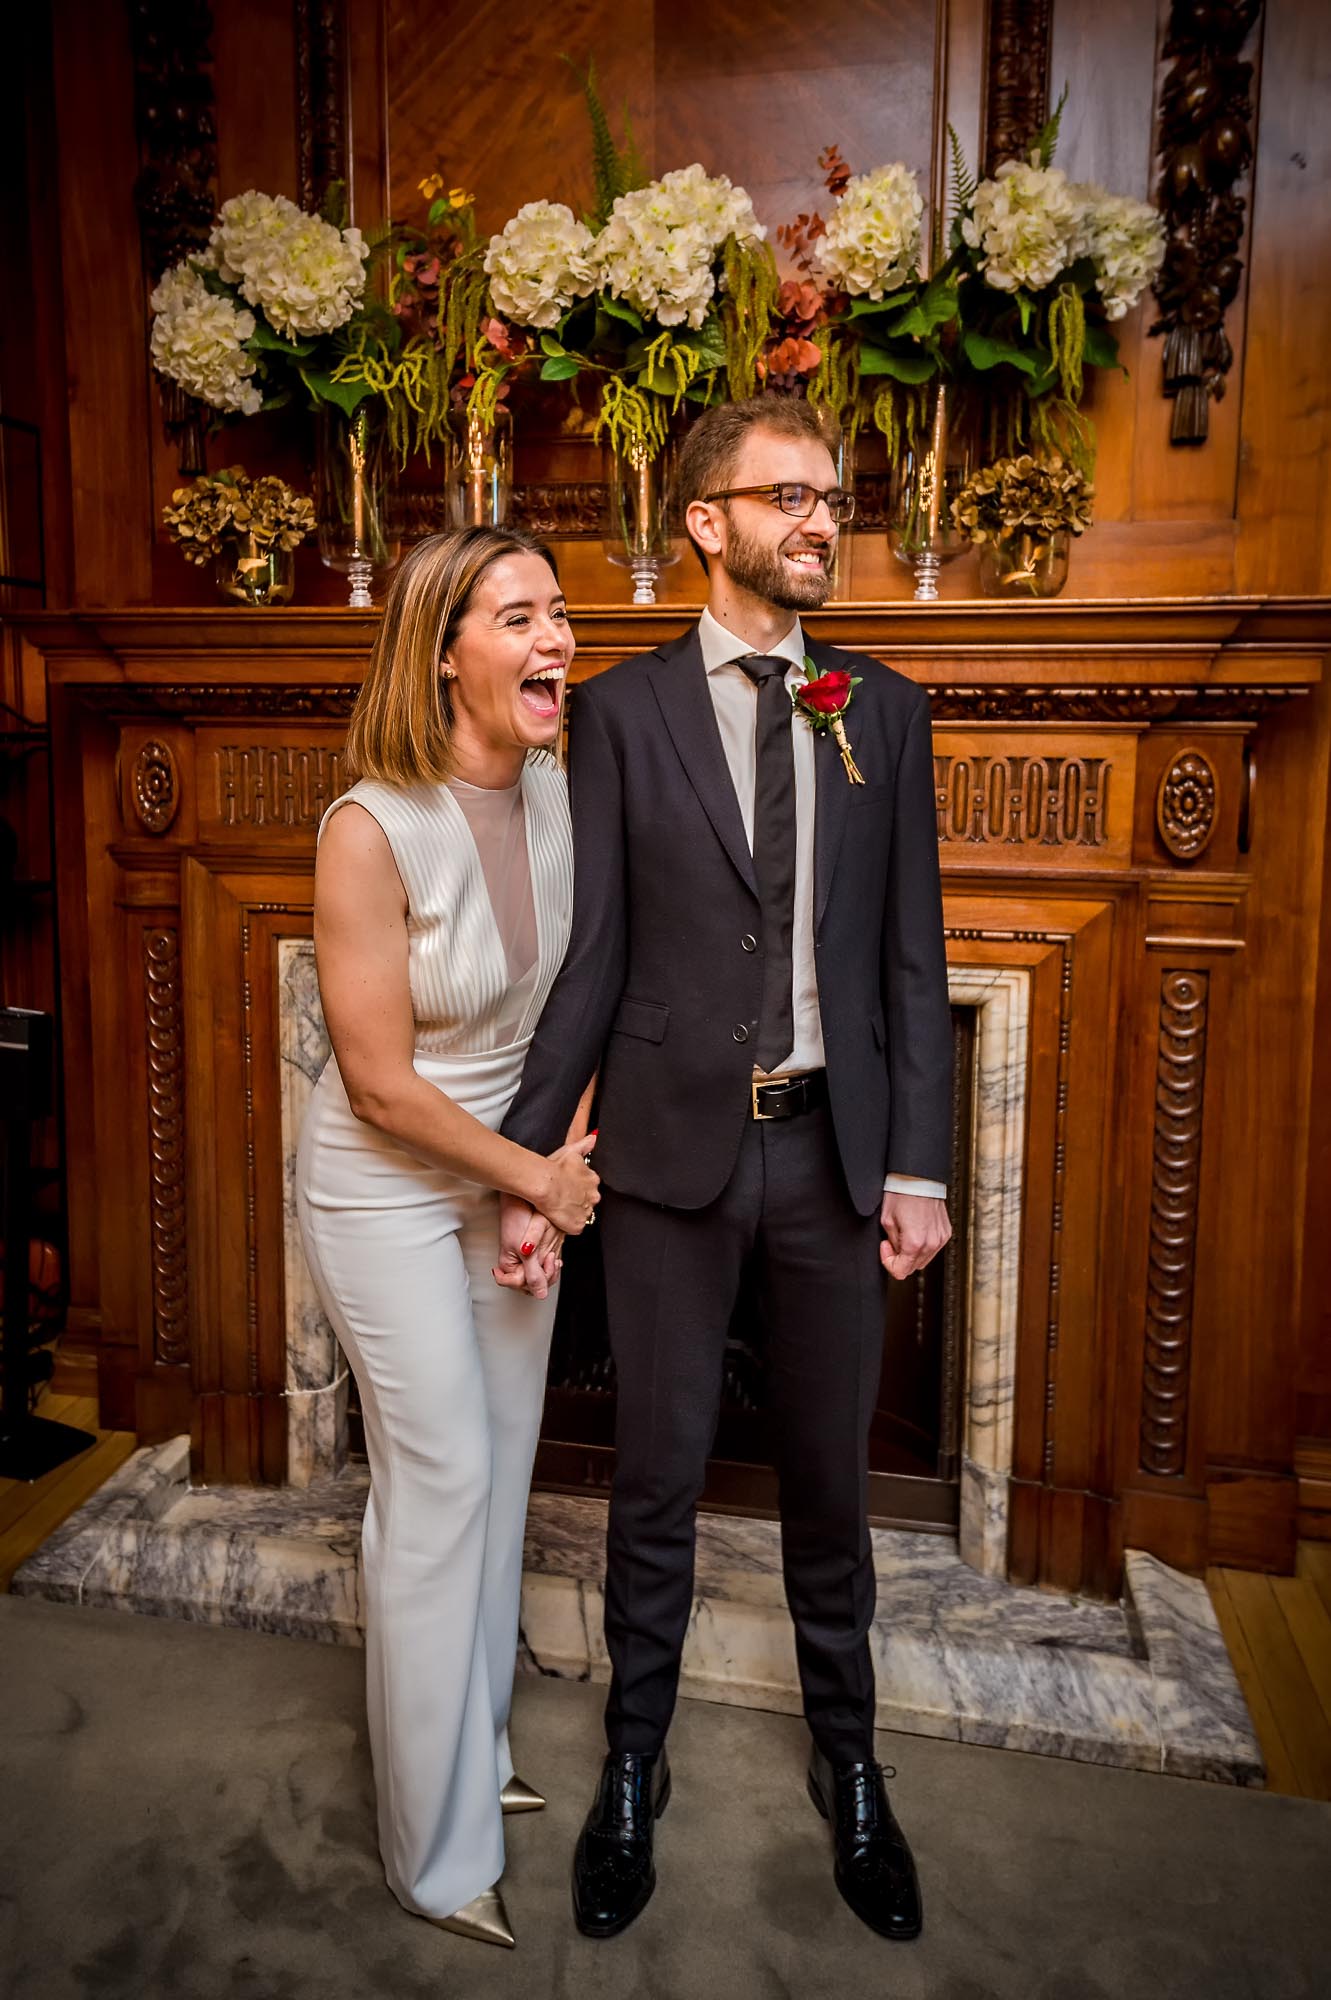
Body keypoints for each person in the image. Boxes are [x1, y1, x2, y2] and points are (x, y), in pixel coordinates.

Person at [497, 397, 953, 1943]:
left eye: (838, 498)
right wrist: (522, 1157)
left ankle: (852, 1760)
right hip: (673, 1167)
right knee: (659, 1481)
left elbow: (911, 960)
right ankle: (636, 1760)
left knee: (830, 1487)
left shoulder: (879, 708)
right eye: (793, 497)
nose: (826, 520)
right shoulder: (619, 720)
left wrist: (923, 1168)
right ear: (708, 521)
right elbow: (593, 955)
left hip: (834, 1163)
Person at [295, 526, 600, 1950]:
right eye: (521, 615)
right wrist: (532, 1180)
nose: (558, 640)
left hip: (510, 1168)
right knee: (442, 1480)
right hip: (383, 1184)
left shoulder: (558, 788)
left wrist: (560, 1157)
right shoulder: (367, 827)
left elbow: (579, 996)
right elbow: (377, 1083)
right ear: (443, 652)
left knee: (506, 1469)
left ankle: (473, 1760)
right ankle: (432, 1852)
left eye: (561, 613)